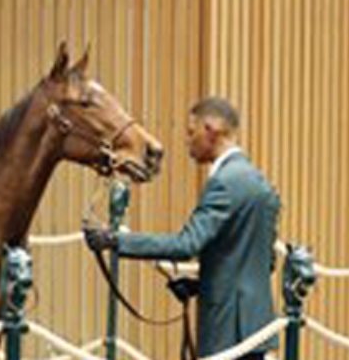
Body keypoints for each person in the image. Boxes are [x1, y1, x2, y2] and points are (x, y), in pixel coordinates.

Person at [84, 97, 280, 360]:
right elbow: (263, 261)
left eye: (191, 132)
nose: (187, 141)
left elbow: (186, 245)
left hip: (227, 330)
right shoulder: (260, 183)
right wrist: (200, 284)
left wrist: (115, 240)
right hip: (256, 330)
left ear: (211, 130)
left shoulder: (224, 183)